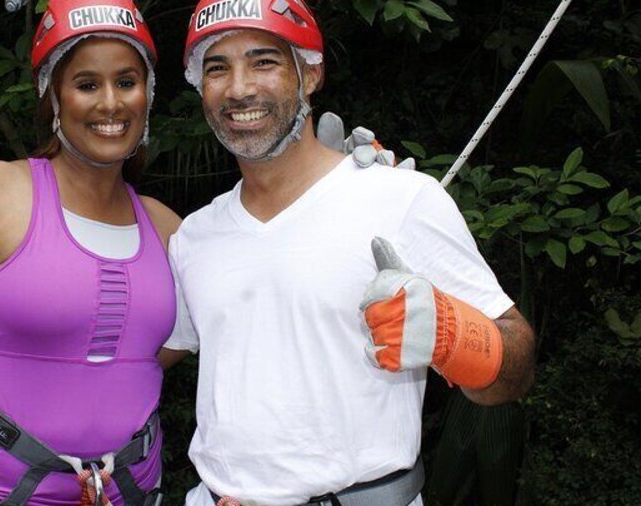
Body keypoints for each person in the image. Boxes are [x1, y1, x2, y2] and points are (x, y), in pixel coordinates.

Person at [162, 1, 537, 505]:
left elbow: (515, 374)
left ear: (311, 73)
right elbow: (140, 360)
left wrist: (455, 339)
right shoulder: (195, 237)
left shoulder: (401, 199)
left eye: (264, 61)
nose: (239, 88)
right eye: (217, 68)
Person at [0, 1, 182, 504]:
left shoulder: (168, 229)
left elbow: (234, 324)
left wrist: (350, 184)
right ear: (53, 97)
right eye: (87, 85)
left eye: (127, 82)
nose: (111, 103)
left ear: (148, 94)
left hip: (130, 491)